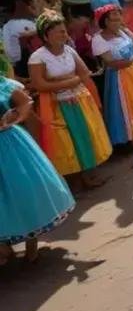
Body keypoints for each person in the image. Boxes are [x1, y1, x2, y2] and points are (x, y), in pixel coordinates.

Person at [28, 11, 112, 190]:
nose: (64, 35)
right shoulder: (38, 57)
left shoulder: (69, 50)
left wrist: (60, 82)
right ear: (45, 36)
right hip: (56, 105)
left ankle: (88, 175)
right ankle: (73, 180)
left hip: (78, 100)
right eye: (59, 32)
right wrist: (71, 81)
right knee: (65, 143)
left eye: (64, 31)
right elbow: (39, 84)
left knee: (85, 135)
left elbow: (85, 73)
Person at [0, 76, 75, 265]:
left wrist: (16, 116)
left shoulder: (2, 84)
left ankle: (31, 244)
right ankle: (4, 247)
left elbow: (26, 102)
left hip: (10, 145)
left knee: (24, 190)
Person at [92, 5, 133, 147]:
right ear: (104, 21)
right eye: (112, 19)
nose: (117, 21)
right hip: (119, 76)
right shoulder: (99, 39)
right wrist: (130, 61)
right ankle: (131, 136)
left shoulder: (123, 31)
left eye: (118, 17)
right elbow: (110, 62)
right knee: (126, 104)